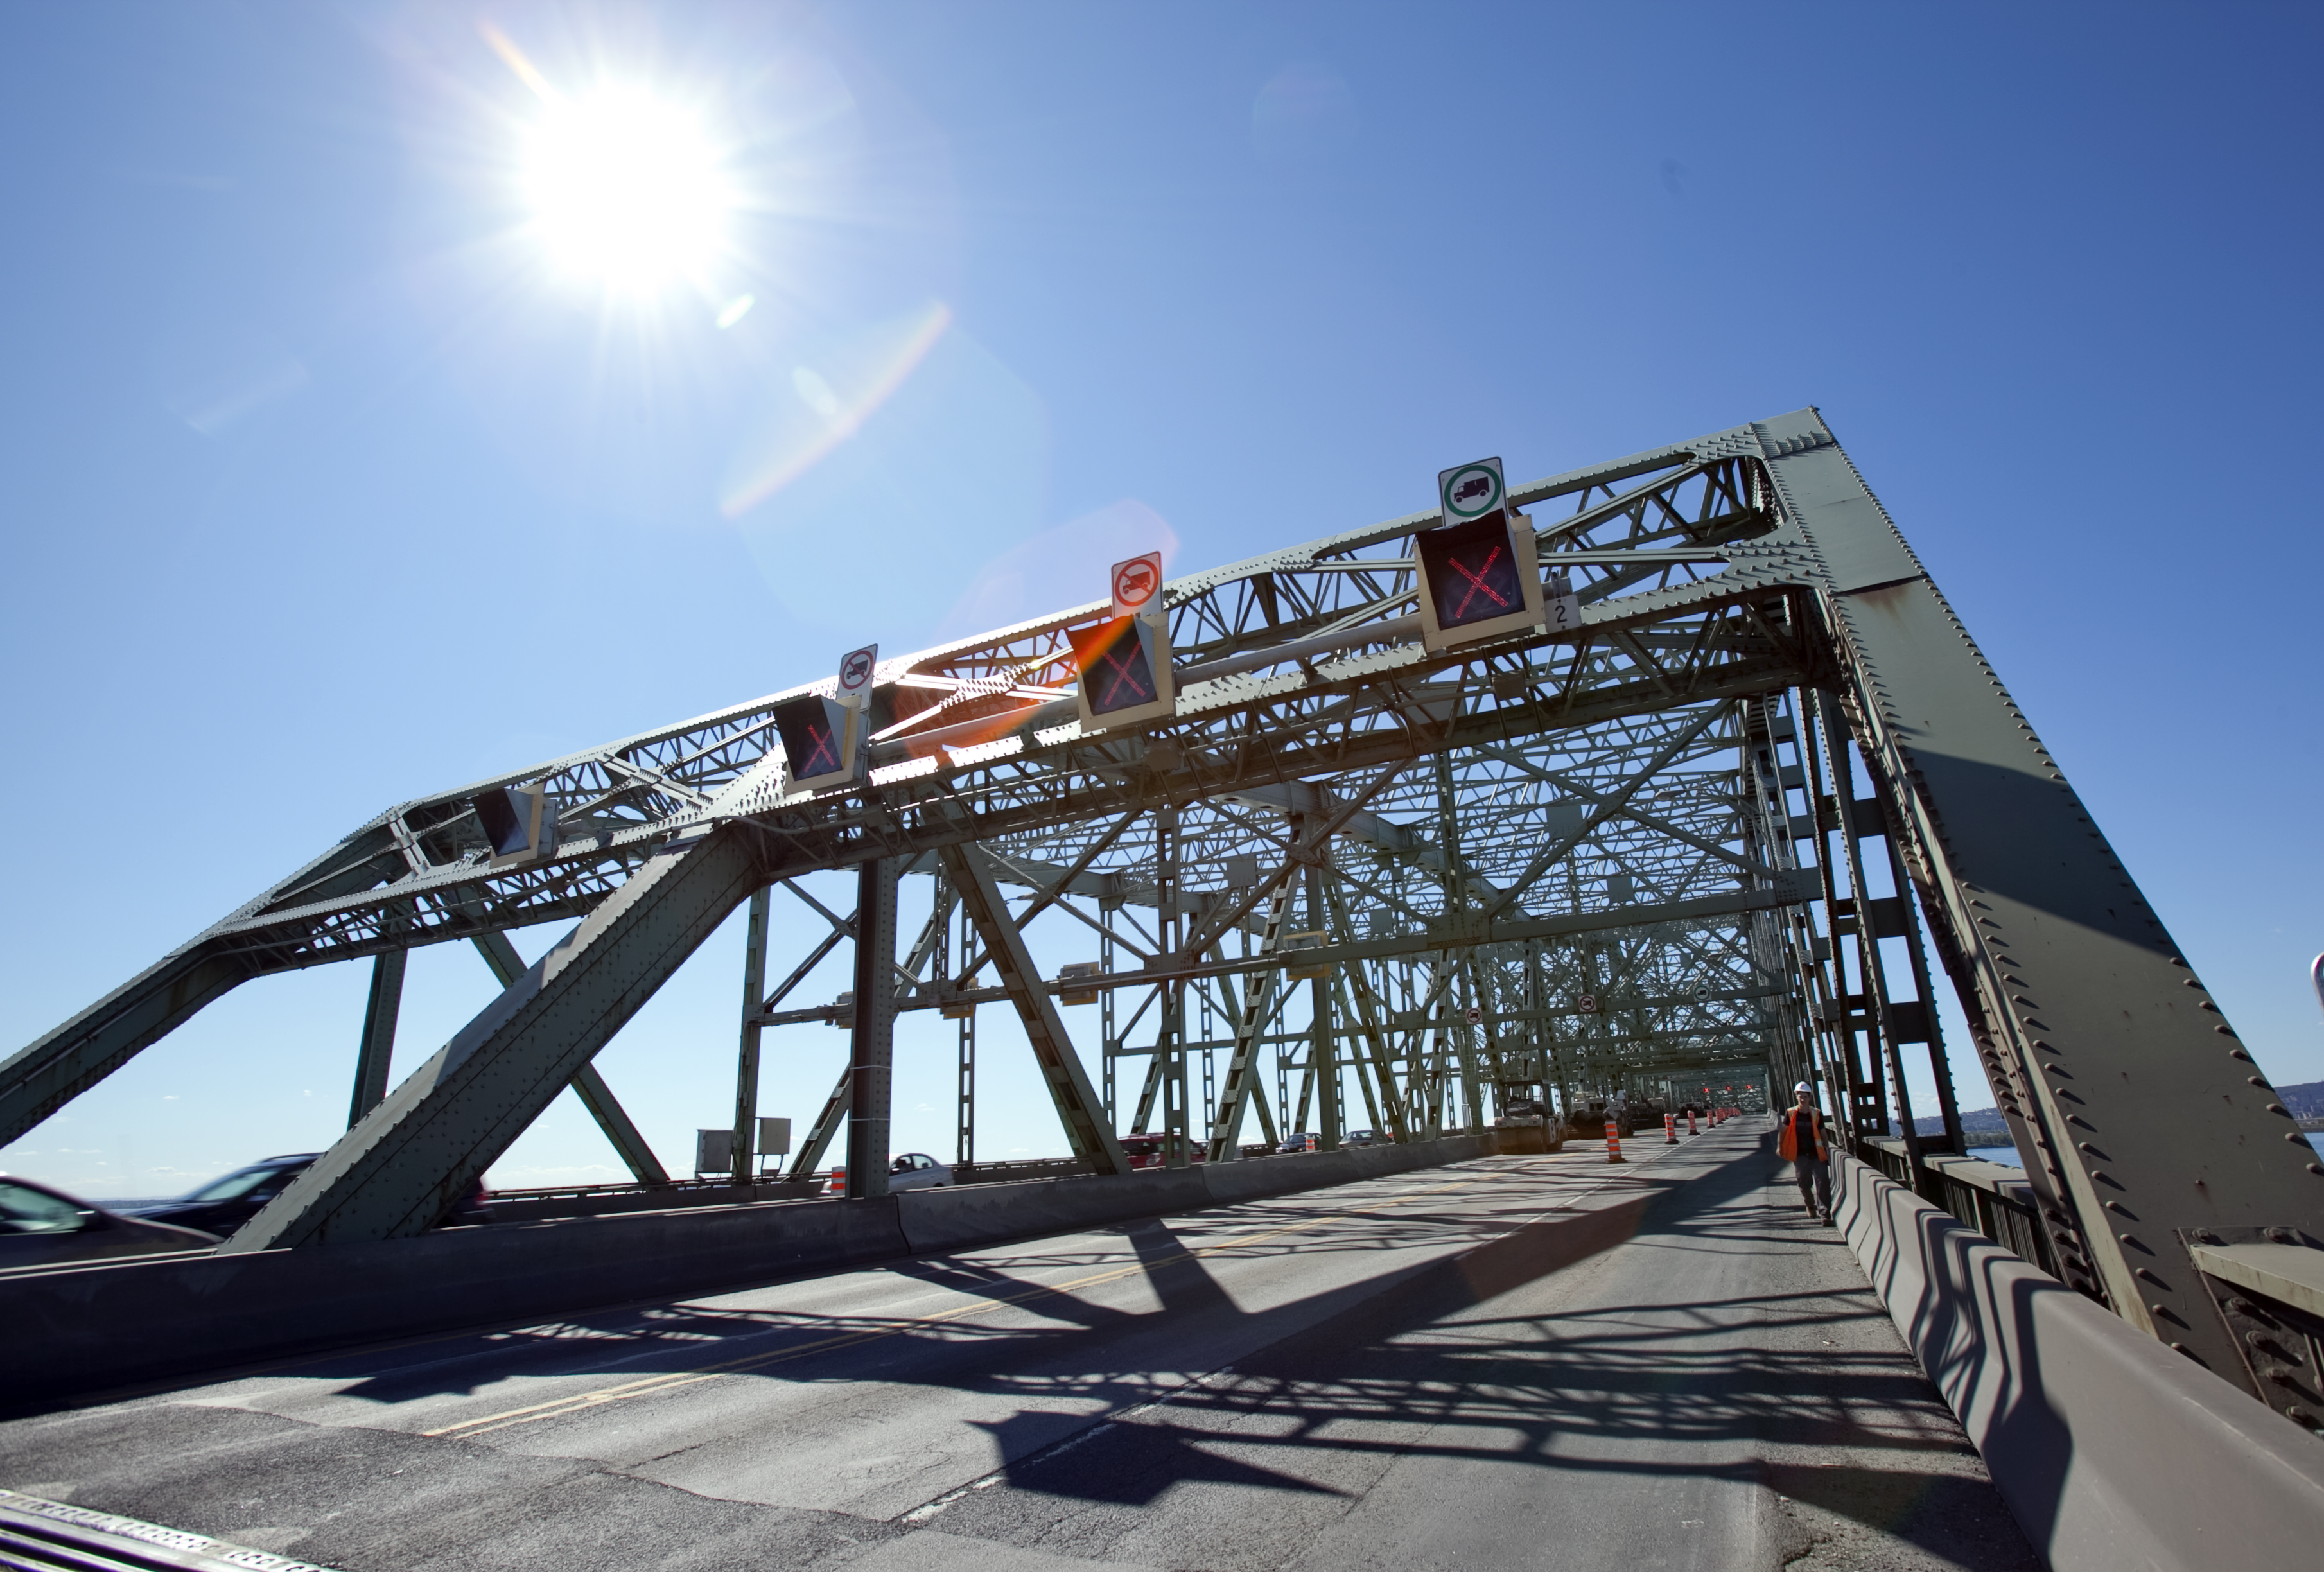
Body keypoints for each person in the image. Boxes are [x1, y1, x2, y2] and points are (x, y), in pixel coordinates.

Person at [1778, 1081, 1831, 1225]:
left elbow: (1823, 1134)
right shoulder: (1791, 1114)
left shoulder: (1817, 1114)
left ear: (1810, 1098)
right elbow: (1783, 1131)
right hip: (1800, 1156)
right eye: (1800, 1096)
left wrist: (1827, 1150)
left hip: (1817, 1155)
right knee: (1804, 1185)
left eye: (1805, 1097)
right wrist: (1780, 1147)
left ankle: (1825, 1215)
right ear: (1797, 1097)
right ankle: (1810, 1204)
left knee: (1823, 1184)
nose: (1802, 1099)